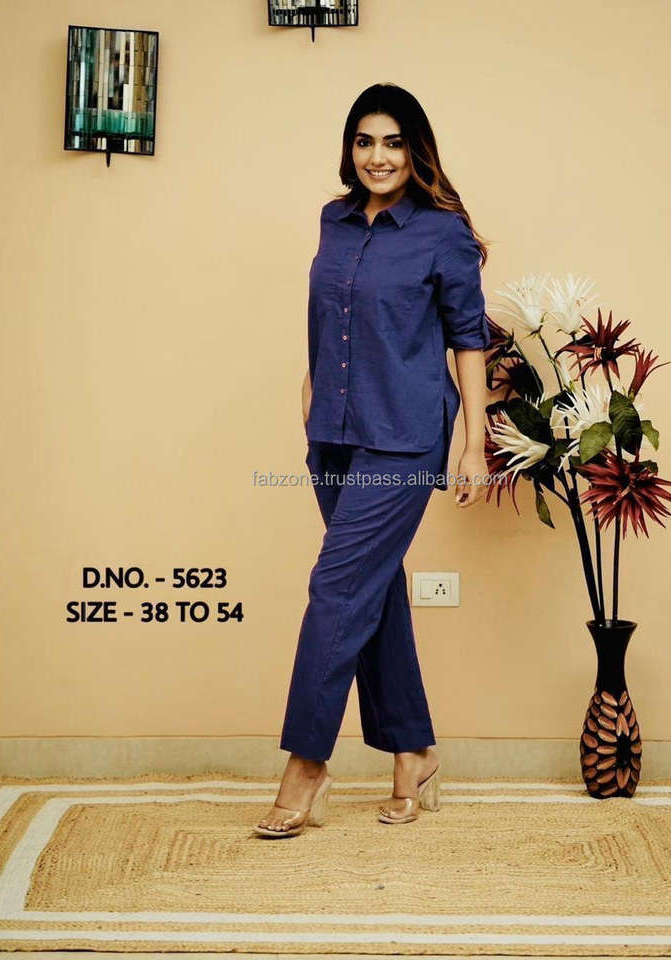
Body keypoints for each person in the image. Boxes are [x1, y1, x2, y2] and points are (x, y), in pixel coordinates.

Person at [254, 83, 490, 838]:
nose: (377, 157)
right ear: (349, 149)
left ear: (415, 150)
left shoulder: (443, 233)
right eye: (364, 141)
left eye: (392, 142)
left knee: (336, 587)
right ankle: (413, 750)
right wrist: (311, 380)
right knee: (371, 589)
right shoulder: (335, 219)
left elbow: (469, 338)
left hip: (405, 436)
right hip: (333, 429)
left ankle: (307, 765)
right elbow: (331, 312)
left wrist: (474, 442)